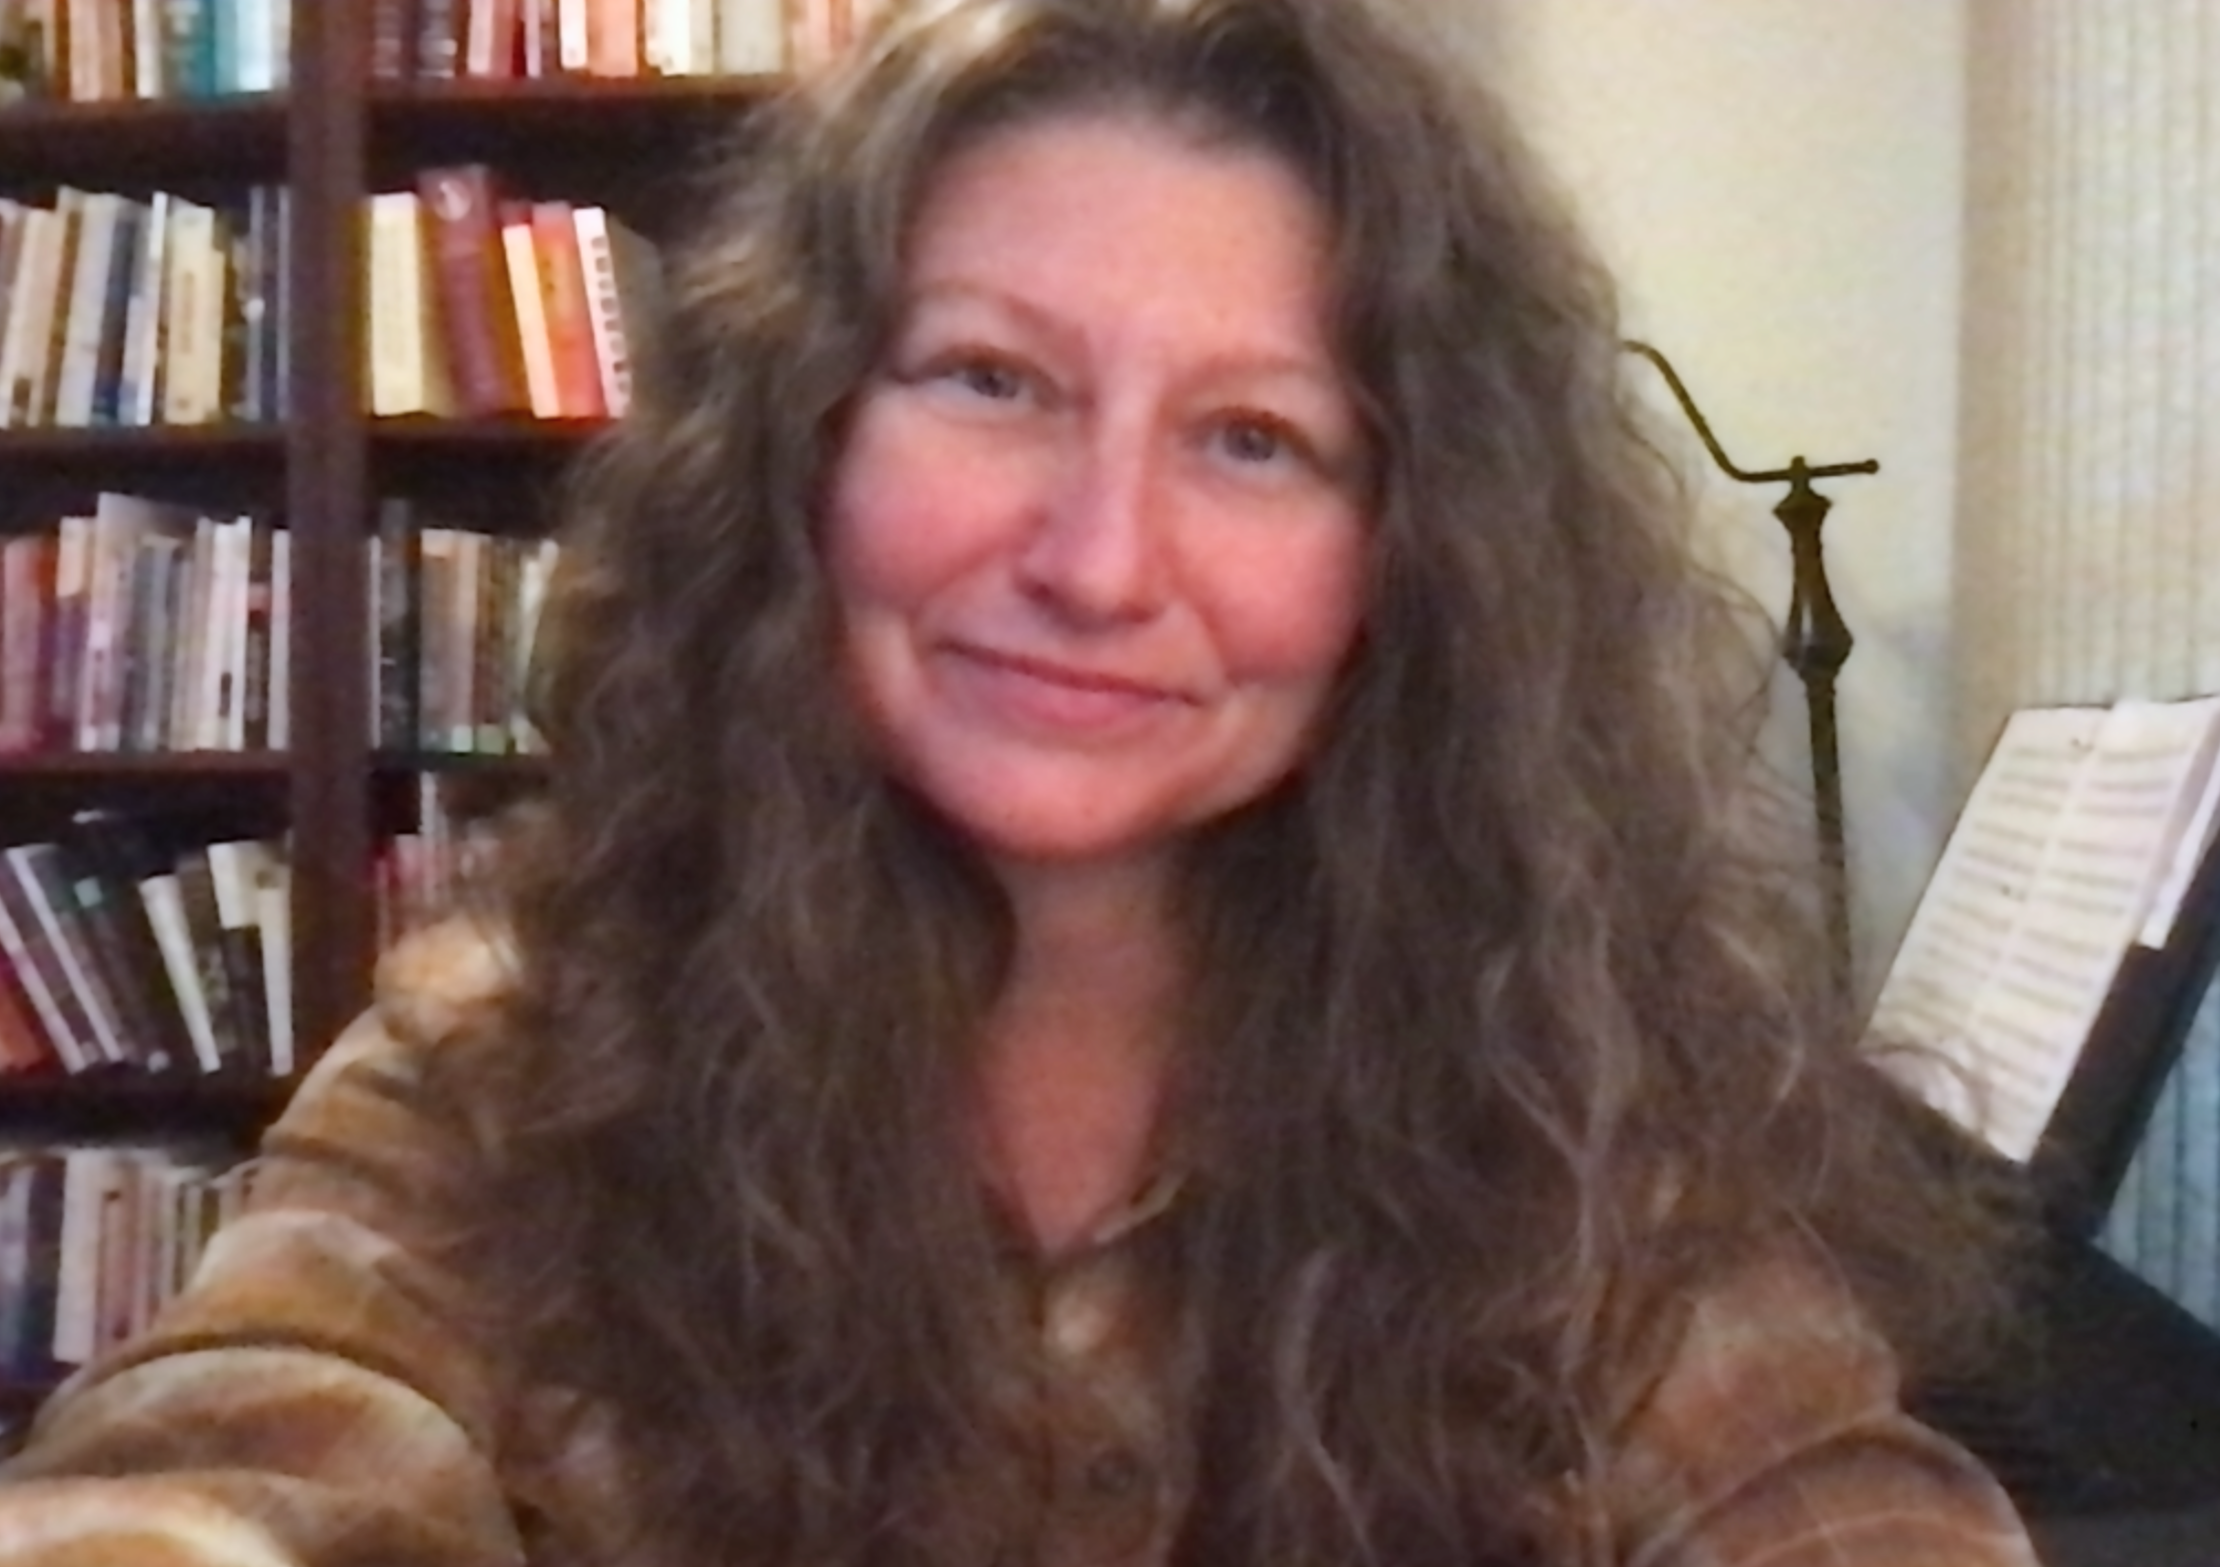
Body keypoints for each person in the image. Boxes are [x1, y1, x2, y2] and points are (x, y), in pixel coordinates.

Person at [0, 0, 2037, 1563]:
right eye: (992, 379)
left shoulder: (1574, 1093)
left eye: (1254, 439)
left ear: (1413, 559)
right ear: (805, 442)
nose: (1097, 561)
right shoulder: (515, 1053)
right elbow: (242, 1459)